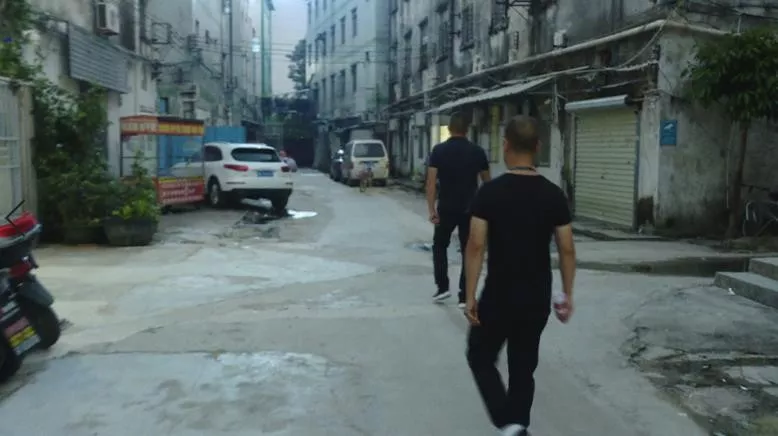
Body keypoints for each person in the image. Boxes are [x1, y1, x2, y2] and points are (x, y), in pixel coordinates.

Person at [462, 115, 576, 436]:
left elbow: (476, 245)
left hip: (498, 295)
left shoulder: (489, 193)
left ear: (506, 146)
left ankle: (508, 422)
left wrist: (470, 296)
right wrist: (567, 294)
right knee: (523, 367)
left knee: (480, 355)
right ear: (538, 147)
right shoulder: (554, 195)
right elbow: (567, 248)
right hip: (536, 295)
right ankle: (517, 424)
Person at [425, 111, 491, 308]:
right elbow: (487, 183)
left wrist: (431, 209)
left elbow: (431, 182)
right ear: (467, 129)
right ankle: (464, 296)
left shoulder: (438, 151)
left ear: (450, 128)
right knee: (468, 250)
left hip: (446, 207)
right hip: (470, 208)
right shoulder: (477, 152)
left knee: (439, 246)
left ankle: (442, 287)